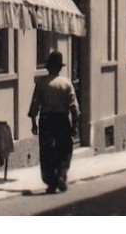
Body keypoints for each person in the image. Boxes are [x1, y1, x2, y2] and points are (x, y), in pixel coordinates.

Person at [28, 50, 79, 194]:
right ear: (60, 68)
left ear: (49, 67)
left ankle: (51, 180)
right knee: (65, 148)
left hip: (46, 120)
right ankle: (62, 174)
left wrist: (34, 123)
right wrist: (74, 124)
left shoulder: (42, 83)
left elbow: (35, 104)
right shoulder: (66, 83)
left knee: (46, 150)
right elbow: (74, 107)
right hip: (62, 119)